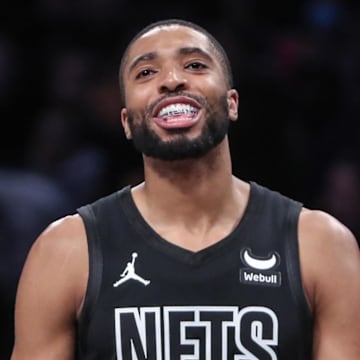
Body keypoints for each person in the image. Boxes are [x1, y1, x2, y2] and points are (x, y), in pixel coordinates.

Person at [10, 18, 360, 360]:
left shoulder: (320, 245)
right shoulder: (65, 252)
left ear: (232, 103)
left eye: (194, 65)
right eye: (146, 73)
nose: (172, 80)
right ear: (127, 122)